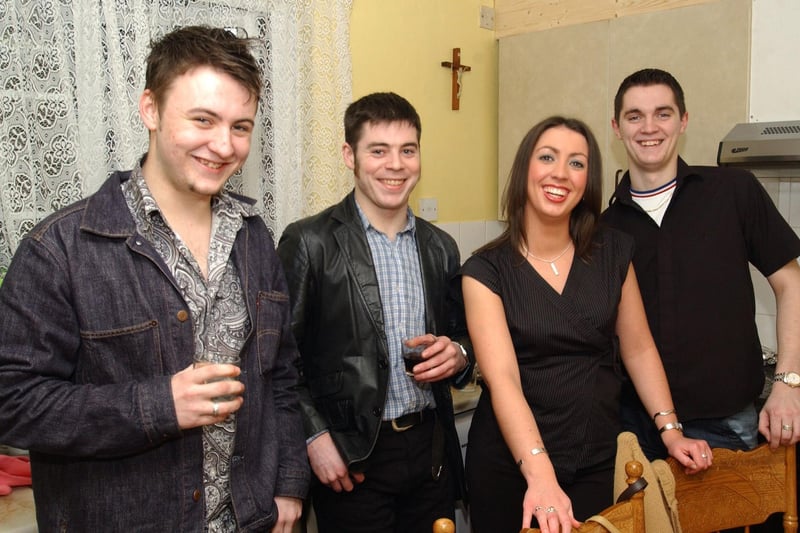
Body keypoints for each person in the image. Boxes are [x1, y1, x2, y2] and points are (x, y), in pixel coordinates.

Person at [0, 26, 309, 532]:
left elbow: (281, 378)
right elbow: (12, 401)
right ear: (150, 109)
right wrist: (158, 405)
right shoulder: (59, 248)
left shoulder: (254, 239)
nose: (224, 145)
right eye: (203, 120)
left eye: (241, 126)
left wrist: (289, 484)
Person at [461, 116, 711, 533]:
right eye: (547, 157)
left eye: (577, 163)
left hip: (595, 457)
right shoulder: (485, 270)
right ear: (525, 168)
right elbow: (502, 378)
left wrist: (671, 431)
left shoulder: (612, 251)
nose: (561, 173)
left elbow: (638, 348)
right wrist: (540, 476)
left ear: (587, 180)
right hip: (511, 465)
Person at [277, 92, 473, 532]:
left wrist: (459, 354)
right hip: (353, 459)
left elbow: (465, 337)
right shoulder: (310, 242)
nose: (396, 164)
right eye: (378, 150)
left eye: (408, 150)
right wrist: (314, 438)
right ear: (350, 155)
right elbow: (278, 360)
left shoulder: (441, 247)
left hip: (430, 454)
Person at [602, 68, 800, 461]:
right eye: (634, 116)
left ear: (683, 121)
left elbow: (791, 283)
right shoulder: (604, 229)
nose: (649, 127)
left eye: (663, 113)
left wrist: (787, 384)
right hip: (633, 429)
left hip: (727, 425)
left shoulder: (733, 192)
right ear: (617, 128)